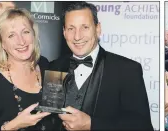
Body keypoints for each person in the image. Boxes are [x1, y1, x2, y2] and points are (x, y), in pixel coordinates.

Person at [49, 2, 152, 130]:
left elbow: (143, 126)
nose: (77, 36)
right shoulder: (54, 66)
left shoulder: (128, 70)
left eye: (85, 27)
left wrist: (92, 124)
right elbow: (50, 119)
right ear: (64, 32)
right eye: (71, 28)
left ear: (98, 29)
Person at [0, 8, 59, 130]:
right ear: (3, 44)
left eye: (26, 32)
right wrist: (12, 126)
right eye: (11, 35)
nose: (21, 41)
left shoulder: (47, 66)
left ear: (34, 34)